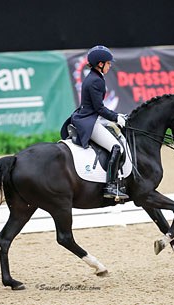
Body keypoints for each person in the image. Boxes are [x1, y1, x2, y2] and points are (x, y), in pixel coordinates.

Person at [61, 45, 129, 200]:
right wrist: (116, 117)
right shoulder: (95, 81)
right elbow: (99, 108)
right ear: (100, 64)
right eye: (108, 63)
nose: (110, 65)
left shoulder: (94, 77)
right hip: (89, 121)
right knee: (116, 147)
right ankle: (111, 186)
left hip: (89, 117)